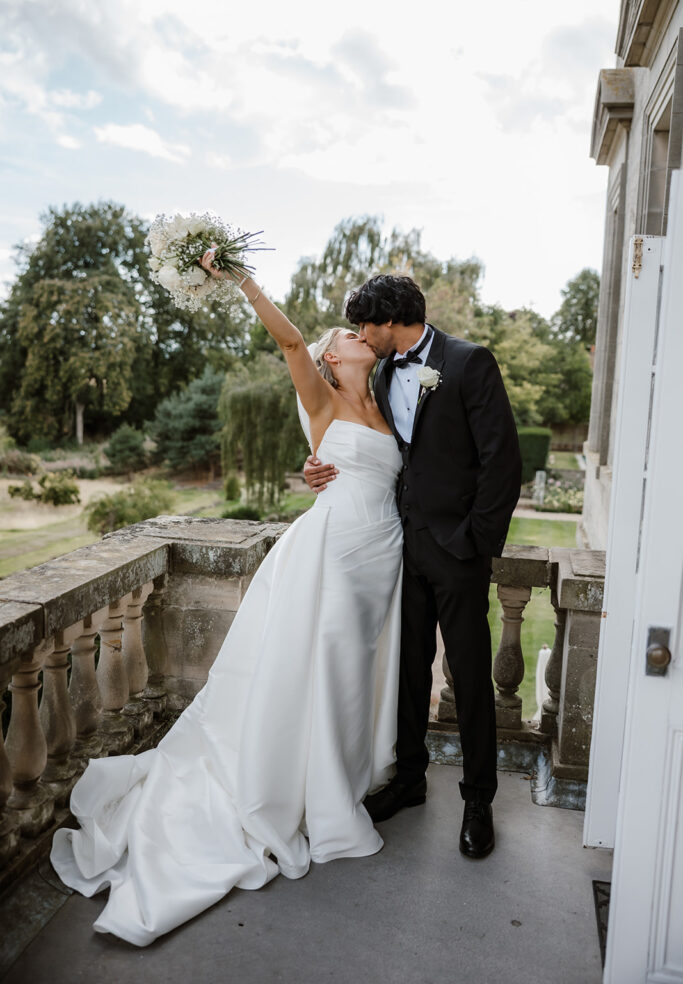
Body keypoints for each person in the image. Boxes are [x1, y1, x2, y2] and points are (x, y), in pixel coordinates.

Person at [50, 255, 405, 946]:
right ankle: (314, 801)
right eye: (346, 333)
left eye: (362, 331)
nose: (356, 334)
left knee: (356, 673)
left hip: (382, 553)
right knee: (321, 668)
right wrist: (242, 279)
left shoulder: (389, 397)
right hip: (332, 551)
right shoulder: (322, 396)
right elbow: (290, 342)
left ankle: (340, 778)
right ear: (332, 356)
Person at [304, 274, 521, 859]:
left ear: (386, 320)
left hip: (457, 552)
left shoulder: (469, 362)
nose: (361, 336)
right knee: (408, 670)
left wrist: (475, 543)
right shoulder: (378, 373)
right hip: (398, 546)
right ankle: (409, 779)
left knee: (471, 676)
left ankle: (479, 799)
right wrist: (318, 465)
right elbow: (366, 442)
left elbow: (503, 460)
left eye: (364, 325)